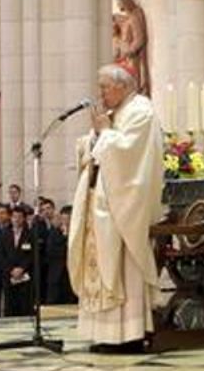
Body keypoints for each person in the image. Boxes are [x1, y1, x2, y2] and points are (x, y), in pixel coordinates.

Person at [68, 64, 165, 351]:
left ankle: (128, 336)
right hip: (101, 204)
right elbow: (96, 149)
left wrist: (106, 134)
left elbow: (130, 156)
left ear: (122, 86)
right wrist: (97, 136)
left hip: (123, 209)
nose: (100, 93)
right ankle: (105, 334)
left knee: (122, 270)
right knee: (100, 267)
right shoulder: (116, 113)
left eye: (105, 87)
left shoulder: (141, 111)